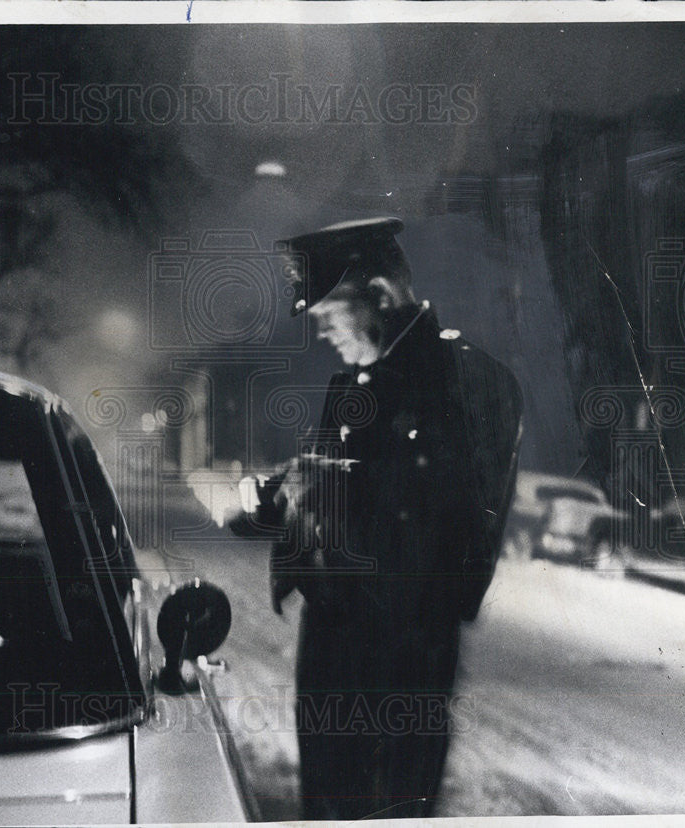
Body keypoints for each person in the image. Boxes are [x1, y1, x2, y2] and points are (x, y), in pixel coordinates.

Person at [230, 217, 523, 819]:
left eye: (331, 316)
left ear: (383, 298)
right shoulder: (360, 386)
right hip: (337, 659)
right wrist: (281, 500)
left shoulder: (469, 384)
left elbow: (428, 546)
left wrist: (320, 500)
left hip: (394, 668)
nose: (325, 335)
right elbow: (347, 492)